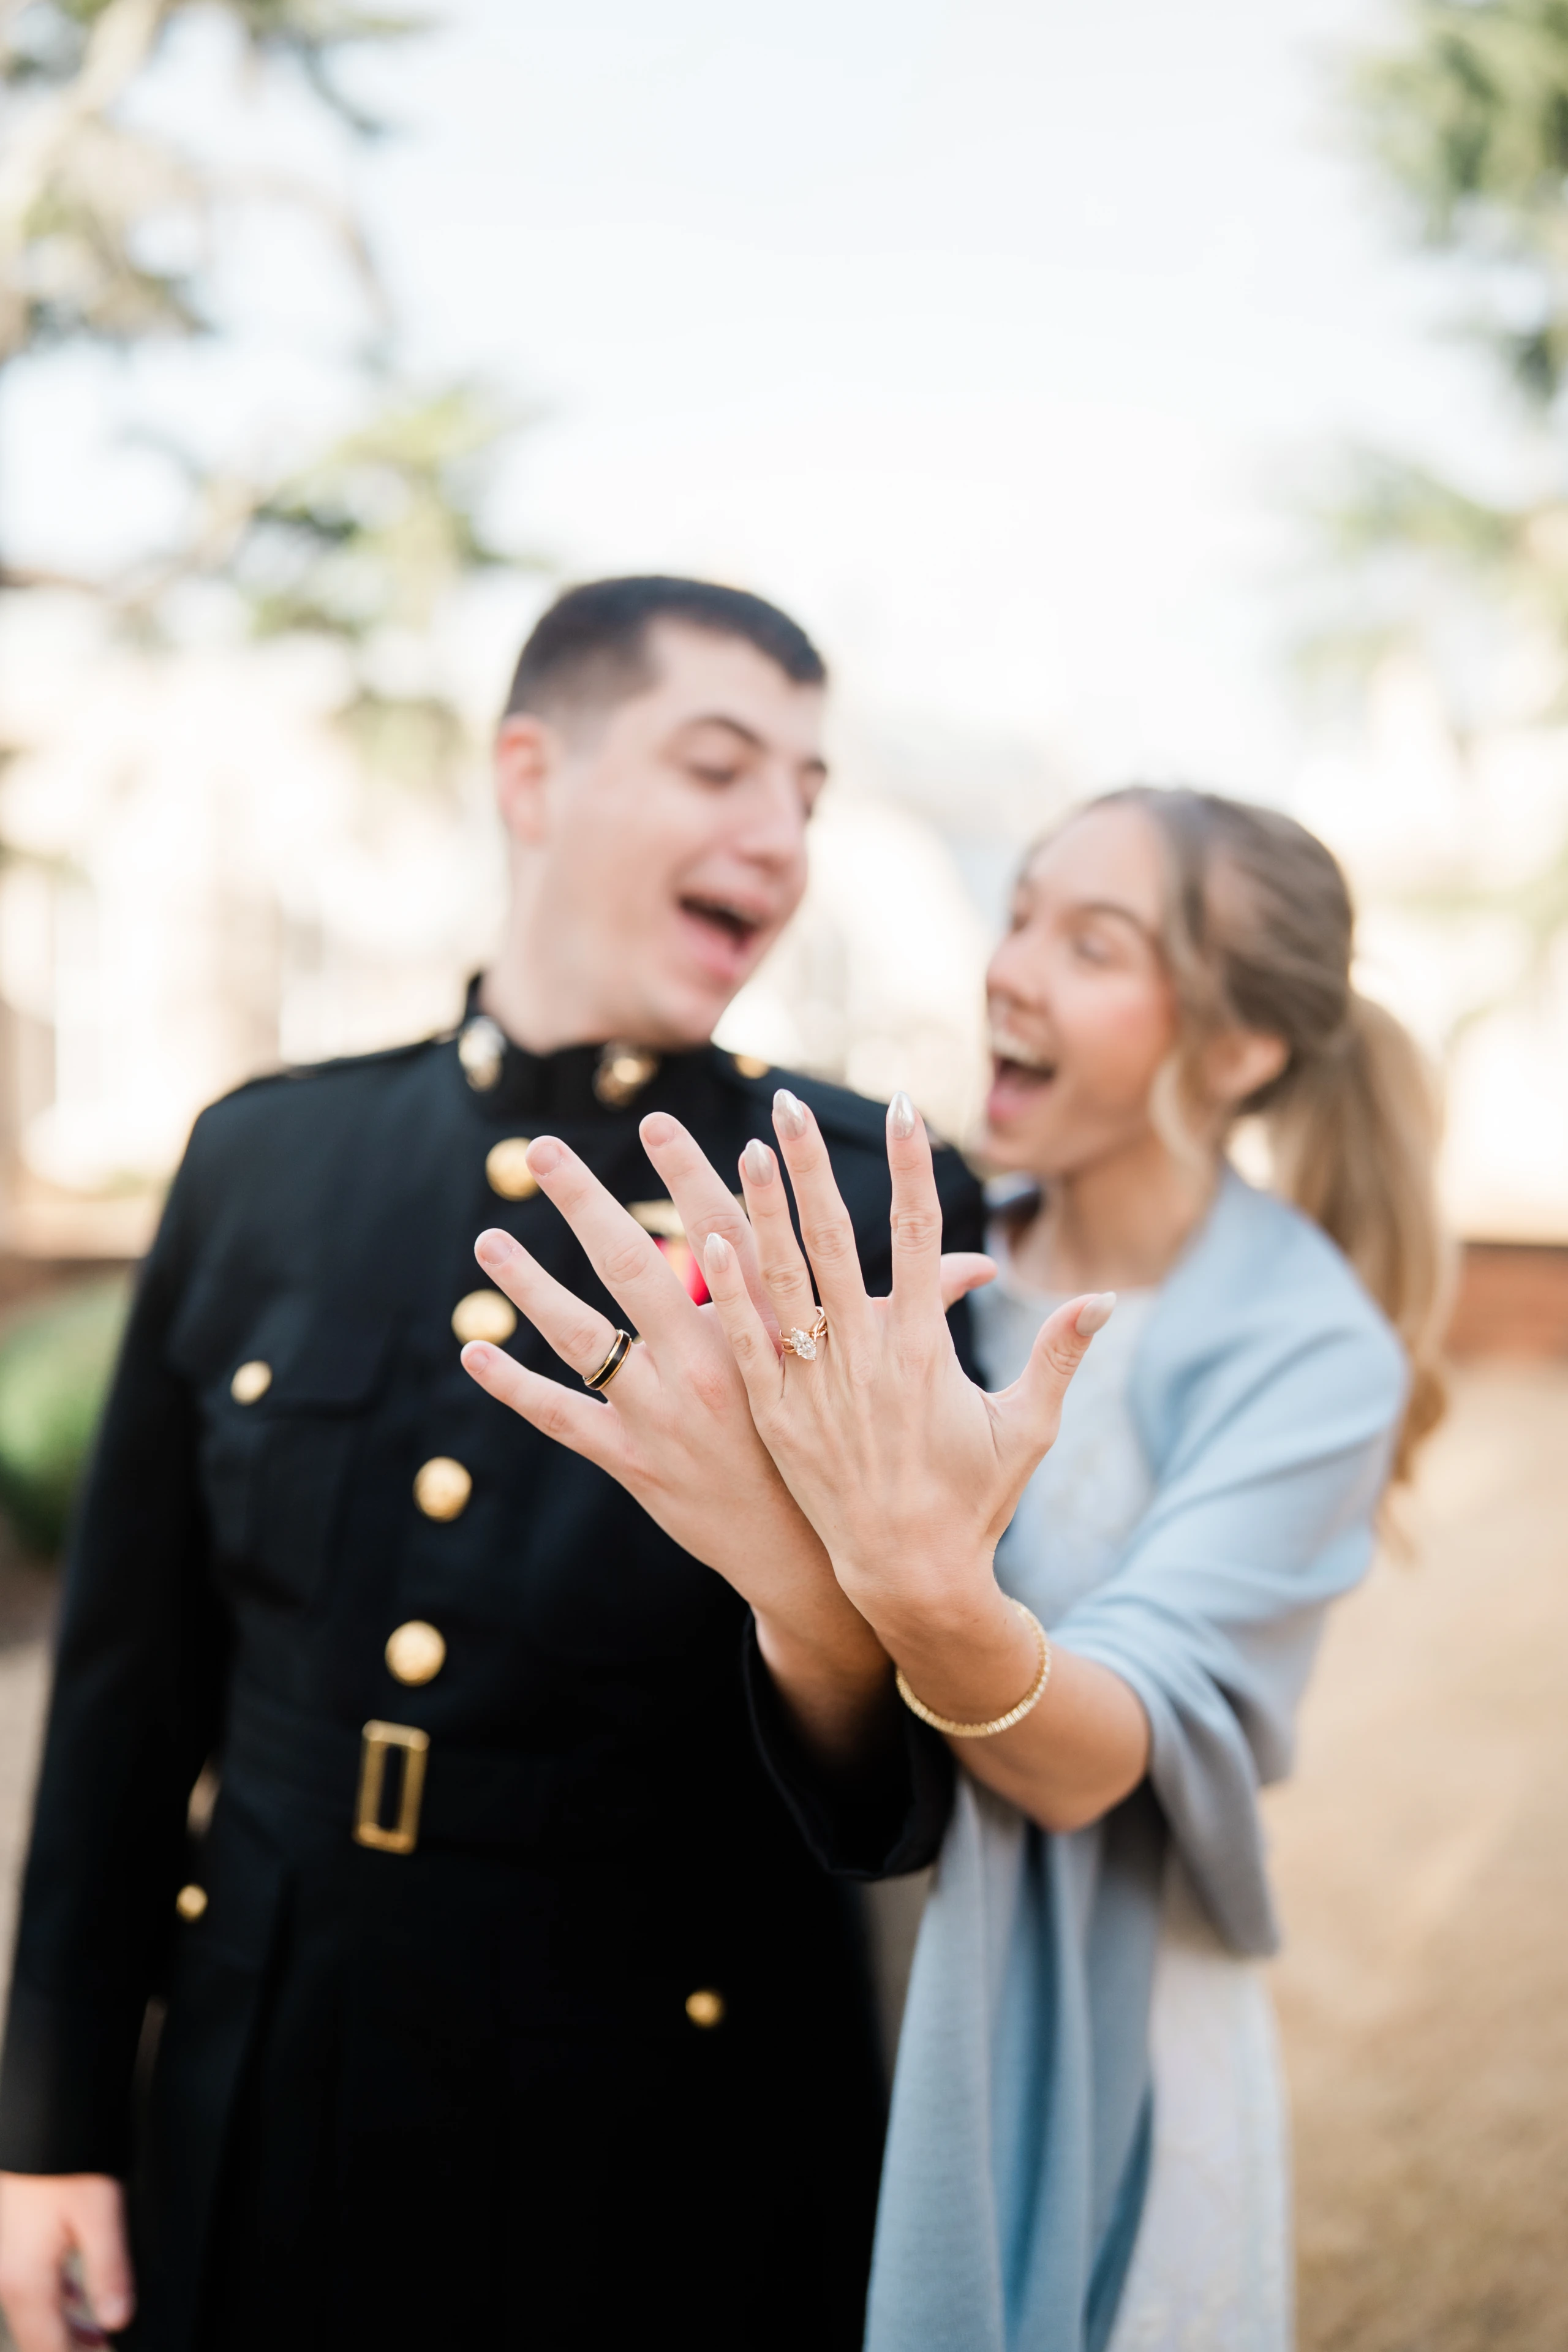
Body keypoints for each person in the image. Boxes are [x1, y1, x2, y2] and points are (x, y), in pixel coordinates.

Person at [0, 576, 986, 2352]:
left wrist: (795, 1574)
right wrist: (51, 2129)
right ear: (530, 776)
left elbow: (892, 1780)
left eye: (811, 795)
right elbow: (128, 1693)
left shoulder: (851, 1195)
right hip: (275, 2050)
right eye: (720, 768)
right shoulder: (265, 1159)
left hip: (674, 2110)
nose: (777, 837)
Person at [460, 784, 1449, 2352]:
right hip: (812, 1985)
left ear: (1240, 1049)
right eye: (1020, 914)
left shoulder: (1305, 1347)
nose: (1012, 968)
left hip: (1084, 2022)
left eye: (1093, 942)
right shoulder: (918, 1258)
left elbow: (1095, 1762)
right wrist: (787, 1558)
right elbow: (828, 1690)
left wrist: (919, 1585)